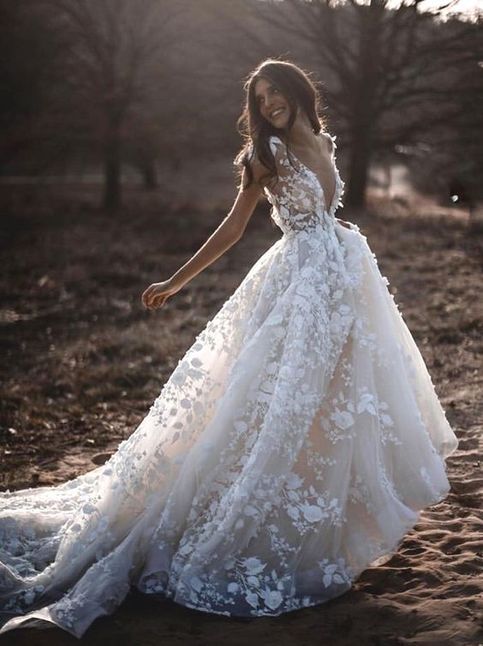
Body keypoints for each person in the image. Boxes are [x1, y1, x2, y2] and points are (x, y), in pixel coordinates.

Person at [0, 59, 458, 638]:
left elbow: (328, 208)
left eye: (275, 93)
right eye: (259, 98)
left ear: (296, 92)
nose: (268, 105)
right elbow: (234, 228)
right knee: (276, 403)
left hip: (341, 281)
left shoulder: (322, 140)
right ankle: (245, 517)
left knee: (335, 403)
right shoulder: (264, 158)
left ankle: (326, 524)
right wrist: (175, 281)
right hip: (296, 286)